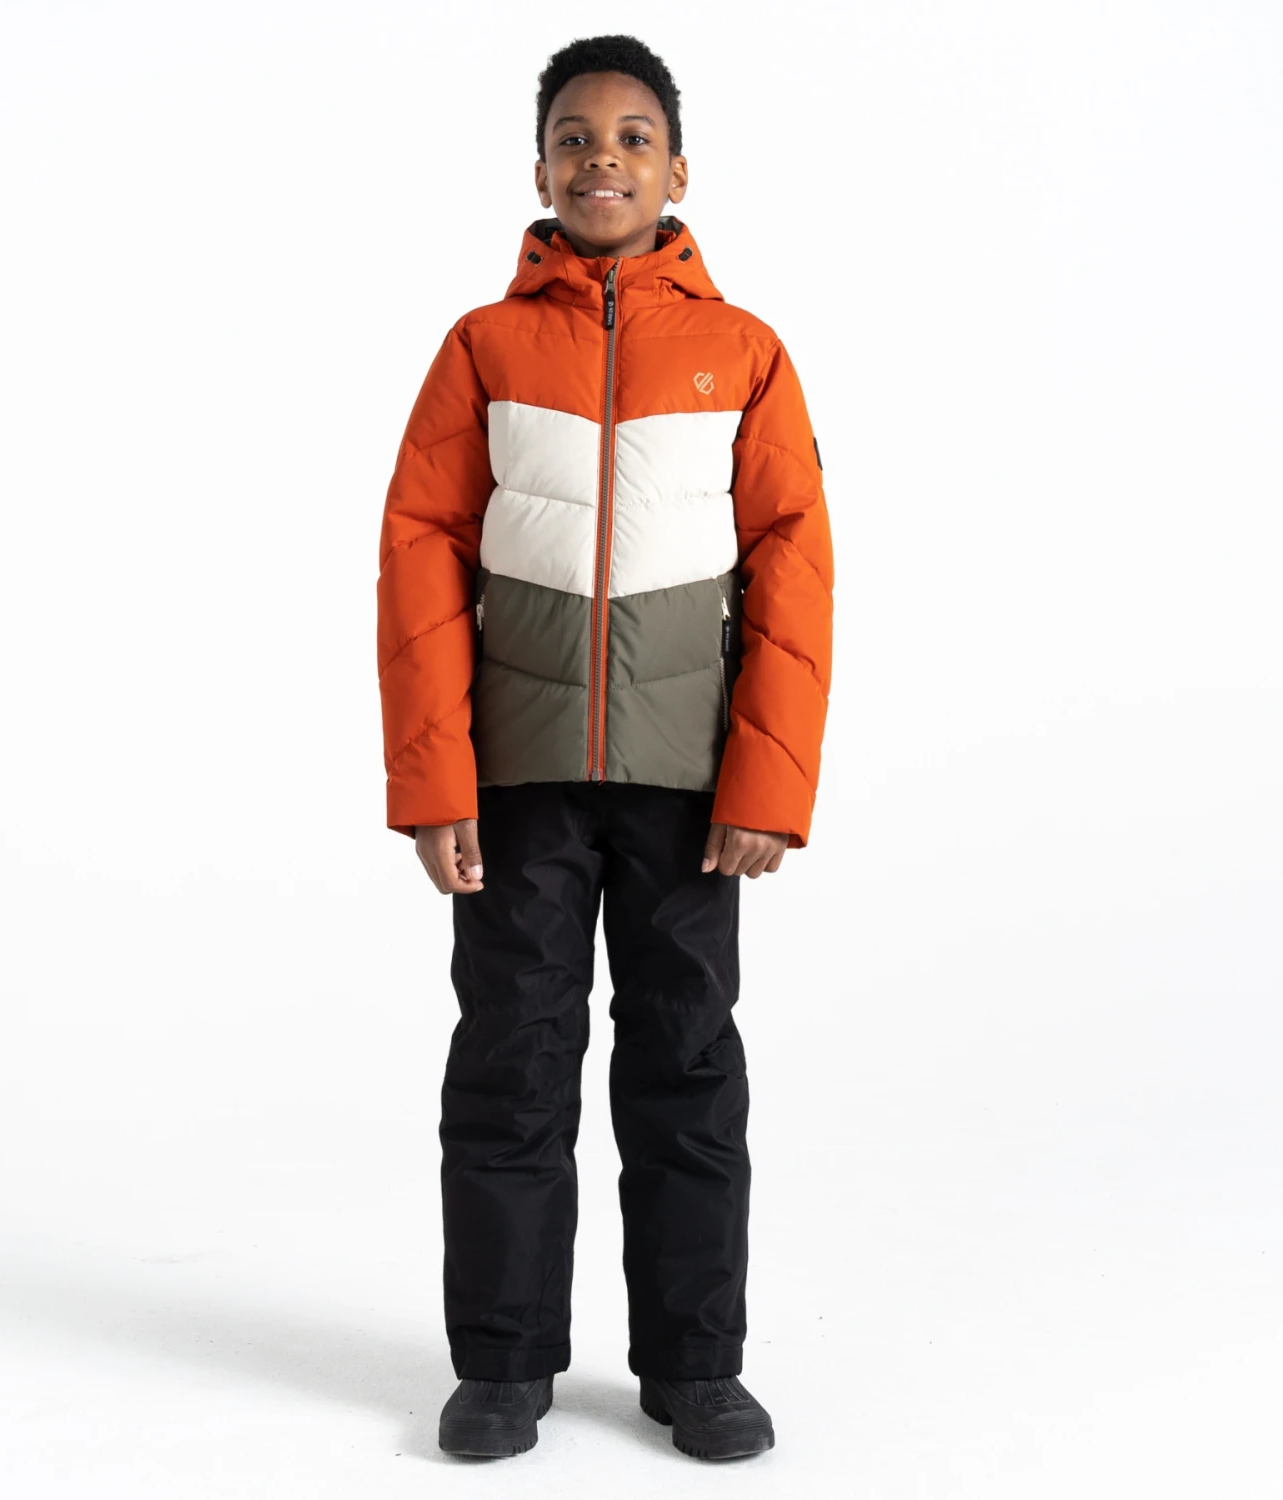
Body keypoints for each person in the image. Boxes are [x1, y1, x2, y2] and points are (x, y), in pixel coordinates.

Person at [376, 33, 832, 1461]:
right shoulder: (484, 347)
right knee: (510, 1062)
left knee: (686, 1062)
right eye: (575, 138)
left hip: (689, 784)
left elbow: (796, 569)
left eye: (633, 138)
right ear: (539, 171)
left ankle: (695, 1364)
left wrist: (767, 783)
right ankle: (503, 1362)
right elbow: (419, 556)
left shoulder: (744, 353)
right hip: (517, 778)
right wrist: (434, 780)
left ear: (678, 171)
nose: (602, 160)